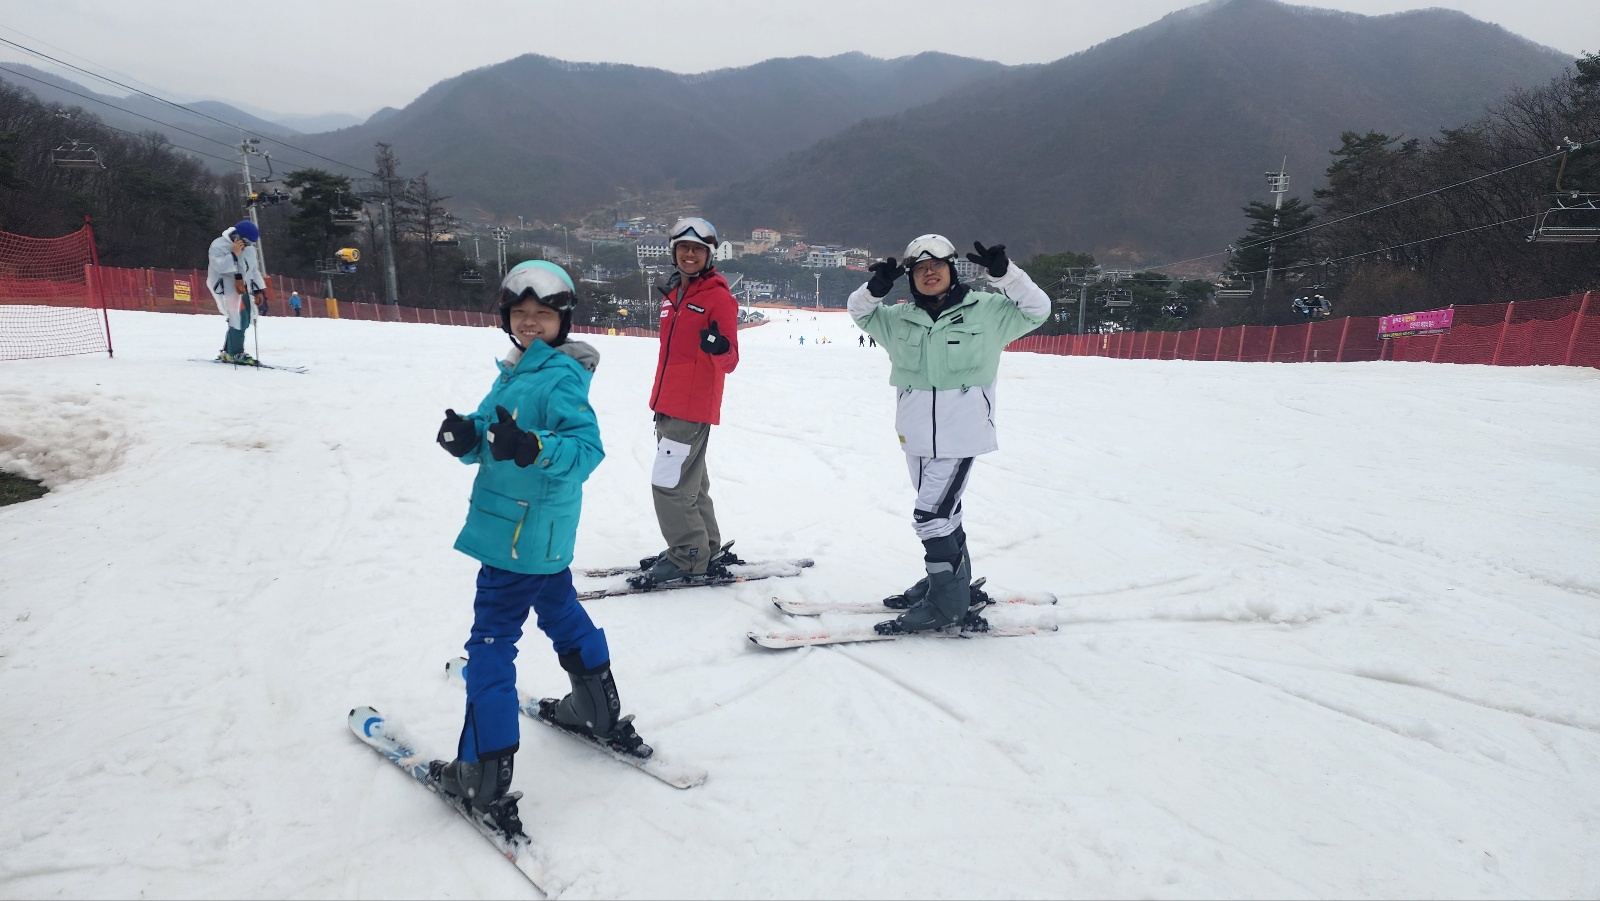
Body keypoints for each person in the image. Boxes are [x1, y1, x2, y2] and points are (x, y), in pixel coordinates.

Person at [428, 260, 641, 832]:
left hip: (515, 536)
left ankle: (482, 770)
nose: (529, 323)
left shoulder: (559, 376)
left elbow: (585, 452)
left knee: (491, 646)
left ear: (562, 320)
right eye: (520, 314)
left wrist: (533, 446)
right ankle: (596, 710)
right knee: (561, 610)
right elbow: (493, 432)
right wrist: (467, 438)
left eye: (542, 315)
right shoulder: (518, 368)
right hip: (539, 537)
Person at [848, 235, 1049, 635]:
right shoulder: (899, 319)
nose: (929, 272)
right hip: (915, 435)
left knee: (931, 517)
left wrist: (1006, 275)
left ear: (951, 269)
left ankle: (947, 605)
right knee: (946, 514)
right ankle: (953, 583)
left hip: (961, 434)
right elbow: (858, 312)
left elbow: (1038, 308)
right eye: (920, 268)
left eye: (937, 266)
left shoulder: (988, 312)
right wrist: (875, 288)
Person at [637, 217, 741, 587]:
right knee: (692, 483)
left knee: (669, 484)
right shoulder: (674, 296)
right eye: (684, 248)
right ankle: (705, 547)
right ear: (674, 253)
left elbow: (730, 361)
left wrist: (720, 347)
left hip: (690, 406)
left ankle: (688, 556)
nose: (690, 254)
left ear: (709, 255)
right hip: (667, 403)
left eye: (698, 248)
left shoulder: (718, 298)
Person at [206, 220, 268, 364]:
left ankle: (228, 350)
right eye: (246, 242)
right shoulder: (218, 245)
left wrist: (259, 289)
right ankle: (236, 352)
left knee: (245, 319)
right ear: (237, 236)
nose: (248, 245)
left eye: (251, 243)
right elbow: (219, 266)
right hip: (226, 287)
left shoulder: (249, 250)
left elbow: (253, 270)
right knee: (238, 318)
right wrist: (234, 254)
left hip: (243, 287)